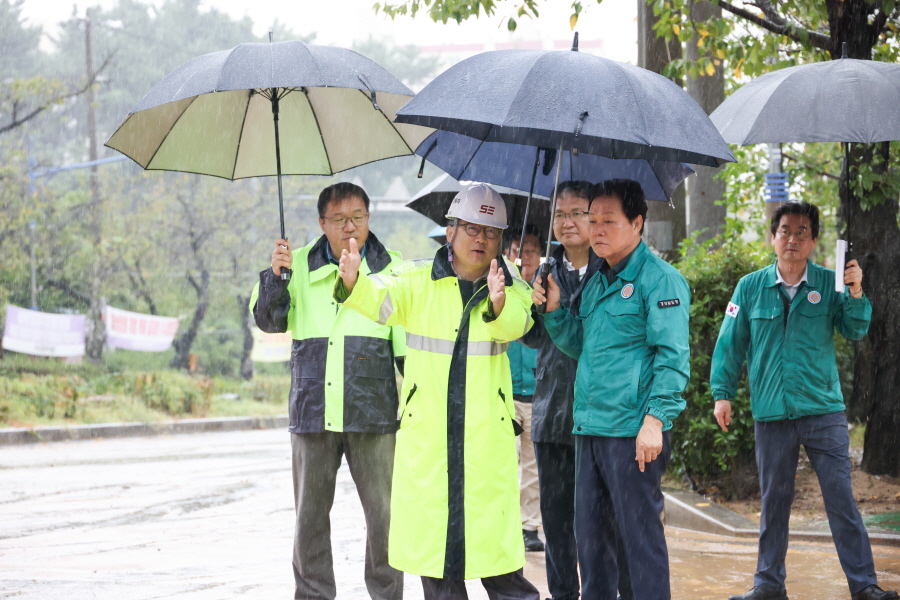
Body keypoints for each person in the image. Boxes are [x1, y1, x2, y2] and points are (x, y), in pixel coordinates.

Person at [336, 183, 540, 600]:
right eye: (471, 228)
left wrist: (499, 304)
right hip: (430, 435)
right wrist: (355, 281)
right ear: (450, 231)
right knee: (439, 565)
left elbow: (519, 323)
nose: (481, 239)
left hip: (483, 439)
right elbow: (381, 301)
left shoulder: (511, 283)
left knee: (499, 565)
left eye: (491, 231)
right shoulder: (417, 280)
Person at [710, 201, 898, 600]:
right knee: (773, 503)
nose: (792, 239)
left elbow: (855, 328)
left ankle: (864, 585)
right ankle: (768, 586)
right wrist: (722, 394)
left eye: (801, 233)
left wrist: (855, 290)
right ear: (771, 237)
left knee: (841, 500)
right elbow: (730, 344)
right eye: (784, 231)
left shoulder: (830, 284)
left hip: (823, 411)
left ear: (813, 242)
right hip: (771, 412)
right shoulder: (749, 287)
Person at [532, 179, 690, 600]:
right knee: (593, 545)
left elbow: (672, 359)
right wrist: (553, 312)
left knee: (638, 545)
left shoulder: (660, 281)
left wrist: (655, 421)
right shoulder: (599, 279)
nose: (596, 229)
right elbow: (583, 344)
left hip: (633, 433)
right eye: (592, 220)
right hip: (590, 430)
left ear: (637, 223)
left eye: (608, 221)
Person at [250, 182, 404, 600]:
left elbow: (407, 349)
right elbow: (270, 322)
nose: (350, 227)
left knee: (386, 517)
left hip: (372, 412)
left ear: (370, 220)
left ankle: (387, 594)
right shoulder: (295, 264)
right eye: (339, 219)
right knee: (310, 518)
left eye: (358, 217)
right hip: (313, 410)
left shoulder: (393, 270)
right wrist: (276, 279)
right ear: (322, 223)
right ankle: (314, 594)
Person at [519, 181, 603, 600]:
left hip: (597, 418)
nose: (568, 222)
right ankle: (563, 594)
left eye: (577, 213)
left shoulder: (611, 271)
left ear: (595, 217)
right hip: (551, 411)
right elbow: (532, 339)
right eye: (561, 214)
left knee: (595, 521)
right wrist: (528, 304)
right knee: (555, 521)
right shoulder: (545, 270)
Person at [505, 226, 544, 553]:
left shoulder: (545, 290)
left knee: (532, 465)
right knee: (502, 462)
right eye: (519, 248)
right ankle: (502, 522)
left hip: (536, 391)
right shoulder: (499, 288)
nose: (525, 255)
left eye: (531, 249)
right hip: (502, 392)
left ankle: (529, 525)